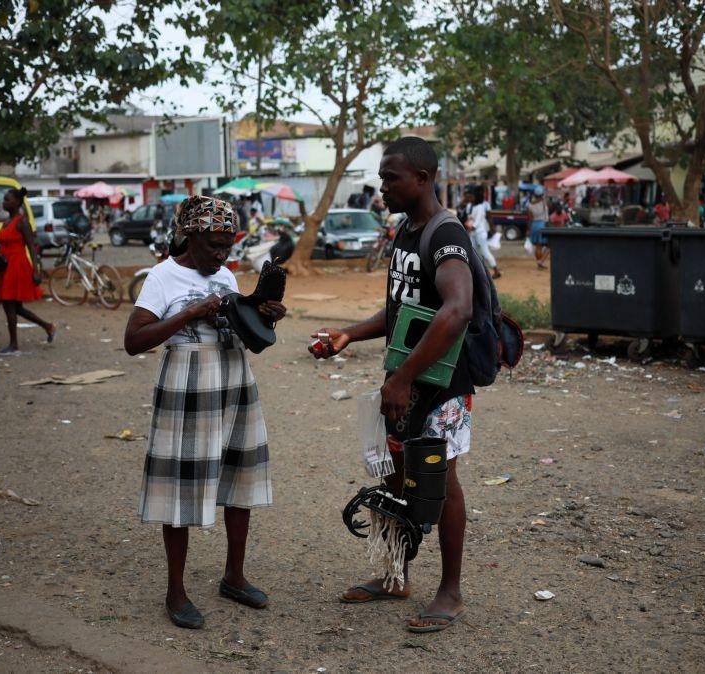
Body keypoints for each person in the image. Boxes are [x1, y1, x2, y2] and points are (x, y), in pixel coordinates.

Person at [312, 136, 473, 634]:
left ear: (422, 180)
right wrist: (349, 334)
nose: (382, 188)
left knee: (439, 483)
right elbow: (401, 308)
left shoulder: (446, 235)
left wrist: (403, 377)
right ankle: (396, 575)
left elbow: (457, 309)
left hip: (441, 385)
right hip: (402, 383)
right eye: (382, 179)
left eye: (391, 179)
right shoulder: (406, 230)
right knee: (393, 476)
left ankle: (450, 590)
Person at [124, 195, 286, 630]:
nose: (222, 254)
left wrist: (266, 315)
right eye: (214, 244)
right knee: (180, 486)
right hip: (187, 382)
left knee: (240, 478)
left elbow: (247, 334)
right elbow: (135, 340)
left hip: (234, 379)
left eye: (228, 245)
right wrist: (191, 312)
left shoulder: (228, 277)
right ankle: (175, 591)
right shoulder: (162, 277)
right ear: (190, 235)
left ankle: (234, 576)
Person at [0, 187, 55, 355]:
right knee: (15, 307)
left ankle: (13, 345)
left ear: (17, 202)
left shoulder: (22, 222)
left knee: (10, 306)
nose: (4, 202)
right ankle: (48, 326)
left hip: (17, 266)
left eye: (7, 199)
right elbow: (2, 246)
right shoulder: (6, 222)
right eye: (4, 199)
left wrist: (36, 270)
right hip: (5, 267)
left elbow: (32, 247)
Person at [465, 189, 500, 279]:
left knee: (485, 252)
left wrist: (468, 227)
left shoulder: (480, 207)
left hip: (480, 232)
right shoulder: (471, 206)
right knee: (475, 253)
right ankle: (479, 272)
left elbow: (476, 222)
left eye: (472, 196)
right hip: (473, 233)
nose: (470, 198)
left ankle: (496, 270)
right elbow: (471, 219)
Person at [527, 186, 549, 269]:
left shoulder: (530, 205)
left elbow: (530, 219)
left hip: (534, 225)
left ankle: (539, 262)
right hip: (542, 225)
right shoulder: (544, 203)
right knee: (542, 245)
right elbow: (546, 216)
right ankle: (540, 262)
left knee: (537, 246)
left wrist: (528, 230)